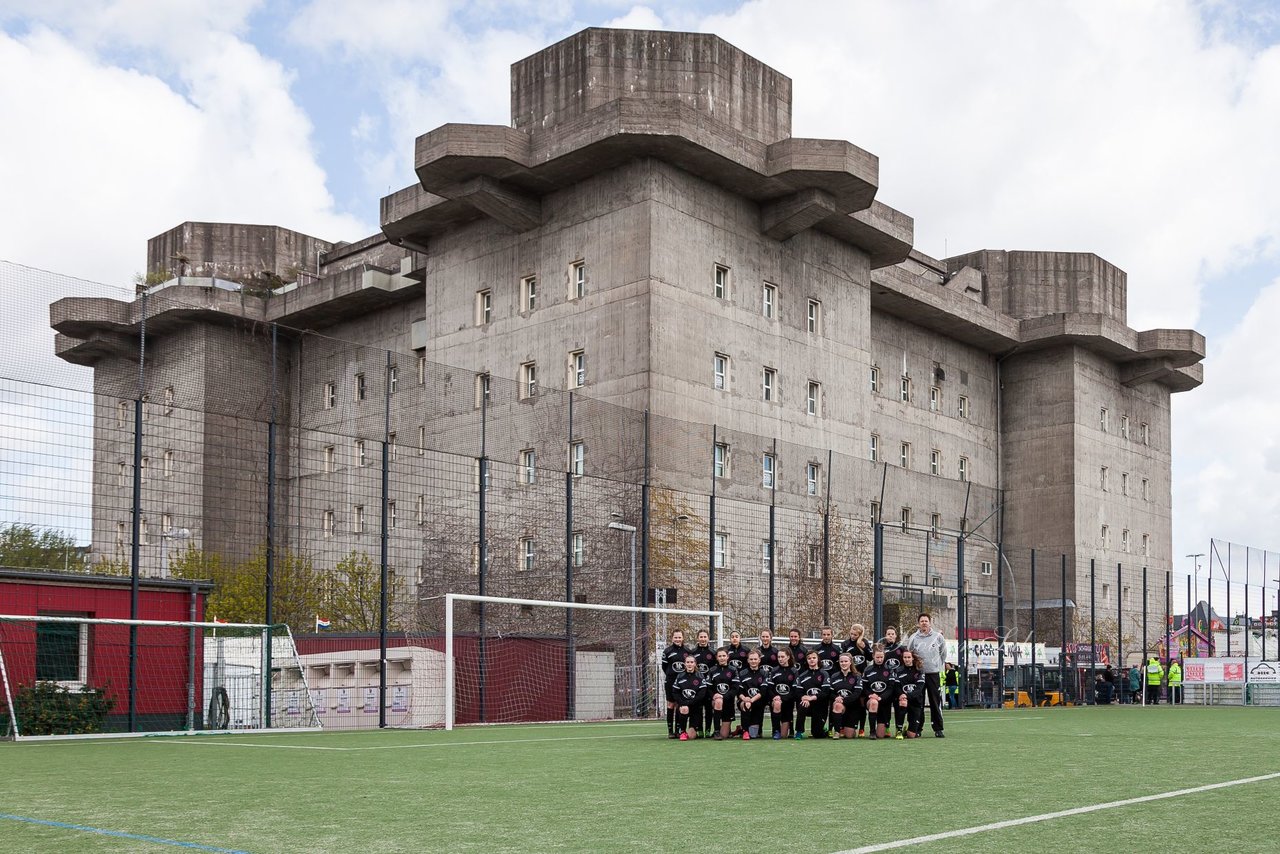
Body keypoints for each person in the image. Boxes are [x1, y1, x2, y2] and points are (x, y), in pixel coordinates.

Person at [905, 612, 947, 738]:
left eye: (926, 621)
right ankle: (917, 728)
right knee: (919, 702)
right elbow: (909, 652)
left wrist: (936, 665)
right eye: (922, 621)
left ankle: (938, 728)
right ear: (918, 623)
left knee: (935, 701)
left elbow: (943, 653)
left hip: (933, 674)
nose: (924, 623)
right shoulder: (913, 637)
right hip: (918, 674)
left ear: (930, 622)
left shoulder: (938, 637)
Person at [861, 645, 897, 739]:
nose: (879, 659)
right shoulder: (868, 670)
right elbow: (864, 688)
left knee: (881, 735)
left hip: (884, 701)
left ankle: (880, 729)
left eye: (881, 657)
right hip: (871, 699)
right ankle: (872, 732)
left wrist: (881, 697)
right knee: (873, 702)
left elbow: (890, 688)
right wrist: (871, 695)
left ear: (884, 656)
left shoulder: (889, 670)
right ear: (873, 656)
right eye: (877, 657)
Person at [794, 650, 831, 739]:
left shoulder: (824, 674)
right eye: (809, 658)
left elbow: (825, 692)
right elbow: (798, 692)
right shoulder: (802, 675)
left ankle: (823, 729)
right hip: (808, 704)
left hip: (820, 706)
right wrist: (804, 698)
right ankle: (799, 731)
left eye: (814, 658)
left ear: (818, 659)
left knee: (817, 735)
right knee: (802, 705)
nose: (812, 660)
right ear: (806, 661)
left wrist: (812, 698)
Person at [671, 655, 708, 740]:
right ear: (685, 664)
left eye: (692, 662)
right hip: (684, 704)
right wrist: (682, 702)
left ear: (695, 664)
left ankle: (693, 729)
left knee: (691, 736)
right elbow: (675, 692)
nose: (689, 664)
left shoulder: (700, 676)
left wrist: (690, 702)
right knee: (684, 708)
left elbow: (702, 694)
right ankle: (682, 731)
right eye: (688, 662)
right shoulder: (680, 676)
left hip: (695, 706)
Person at [706, 648, 739, 740]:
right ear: (716, 657)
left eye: (724, 656)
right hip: (716, 701)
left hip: (728, 702)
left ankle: (735, 729)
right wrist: (714, 696)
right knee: (718, 701)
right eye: (719, 656)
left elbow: (735, 688)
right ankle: (716, 731)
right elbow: (708, 687)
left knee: (724, 735)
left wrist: (724, 696)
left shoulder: (733, 670)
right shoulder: (712, 670)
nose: (722, 658)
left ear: (728, 657)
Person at [661, 629, 689, 738]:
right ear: (672, 638)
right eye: (675, 637)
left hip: (683, 682)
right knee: (671, 704)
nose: (677, 639)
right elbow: (665, 667)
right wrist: (671, 675)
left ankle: (678, 729)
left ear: (682, 638)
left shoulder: (687, 651)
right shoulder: (667, 651)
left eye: (679, 637)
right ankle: (670, 731)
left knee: (679, 704)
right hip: (670, 681)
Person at [828, 653, 863, 738]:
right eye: (841, 661)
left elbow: (857, 694)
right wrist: (836, 698)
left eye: (846, 661)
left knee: (849, 735)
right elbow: (830, 693)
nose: (843, 663)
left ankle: (846, 727)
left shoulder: (857, 676)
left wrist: (843, 700)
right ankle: (837, 731)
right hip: (840, 705)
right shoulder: (834, 676)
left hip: (853, 707)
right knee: (837, 705)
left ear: (850, 662)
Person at [736, 649, 770, 740]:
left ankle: (740, 728)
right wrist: (745, 699)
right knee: (747, 704)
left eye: (755, 659)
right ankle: (745, 731)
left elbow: (762, 692)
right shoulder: (742, 673)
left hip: (757, 701)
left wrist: (751, 700)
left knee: (754, 735)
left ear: (759, 660)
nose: (753, 661)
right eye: (751, 659)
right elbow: (739, 691)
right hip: (744, 701)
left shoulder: (764, 673)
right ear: (748, 660)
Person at [768, 647, 799, 739]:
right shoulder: (774, 670)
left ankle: (785, 730)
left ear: (788, 657)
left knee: (784, 735)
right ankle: (776, 730)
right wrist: (774, 697)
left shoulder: (793, 671)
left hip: (788, 701)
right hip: (776, 700)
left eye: (782, 657)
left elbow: (795, 690)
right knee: (777, 704)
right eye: (779, 657)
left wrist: (784, 698)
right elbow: (769, 688)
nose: (780, 659)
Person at [691, 630, 717, 737]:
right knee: (698, 708)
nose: (703, 639)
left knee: (709, 708)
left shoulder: (713, 653)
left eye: (704, 637)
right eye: (701, 637)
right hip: (696, 685)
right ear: (697, 638)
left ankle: (708, 729)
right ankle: (699, 729)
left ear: (708, 638)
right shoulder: (692, 653)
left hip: (709, 685)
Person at [896, 649, 927, 738]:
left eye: (909, 657)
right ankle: (899, 730)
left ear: (913, 658)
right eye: (905, 657)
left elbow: (919, 689)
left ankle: (908, 730)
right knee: (902, 702)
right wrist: (902, 695)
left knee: (911, 735)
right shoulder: (898, 671)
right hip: (904, 700)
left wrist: (907, 695)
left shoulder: (919, 671)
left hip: (915, 702)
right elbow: (897, 687)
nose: (907, 659)